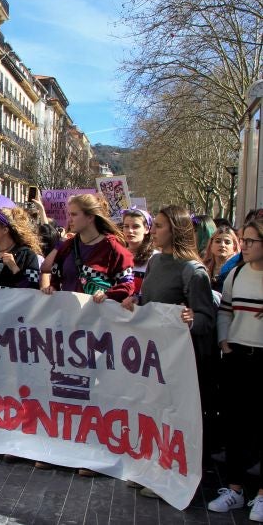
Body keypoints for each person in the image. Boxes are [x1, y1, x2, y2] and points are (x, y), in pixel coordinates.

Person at [121, 205, 217, 498]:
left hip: (181, 360)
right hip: (154, 356)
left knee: (174, 418)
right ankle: (152, 469)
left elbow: (206, 319)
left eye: (160, 225)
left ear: (175, 229)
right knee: (153, 413)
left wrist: (192, 319)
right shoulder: (155, 263)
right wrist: (134, 301)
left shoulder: (193, 270)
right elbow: (150, 300)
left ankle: (174, 475)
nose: (154, 230)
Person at [207, 219, 263, 519]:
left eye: (251, 241)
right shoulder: (237, 274)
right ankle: (235, 489)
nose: (245, 246)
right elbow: (226, 310)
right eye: (244, 240)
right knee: (236, 425)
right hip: (238, 356)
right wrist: (225, 342)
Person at [42, 194, 135, 303]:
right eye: (69, 214)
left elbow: (127, 284)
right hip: (67, 315)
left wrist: (108, 294)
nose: (69, 220)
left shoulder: (112, 247)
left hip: (97, 317)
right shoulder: (67, 247)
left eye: (74, 214)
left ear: (90, 217)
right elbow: (54, 278)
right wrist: (52, 288)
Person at [121, 208, 156, 293]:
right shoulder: (117, 255)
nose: (130, 231)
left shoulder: (155, 258)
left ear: (147, 229)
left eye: (136, 226)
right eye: (126, 226)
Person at [203, 225, 239, 293]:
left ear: (234, 246)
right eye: (218, 241)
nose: (222, 245)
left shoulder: (237, 268)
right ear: (211, 245)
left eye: (227, 242)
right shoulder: (204, 266)